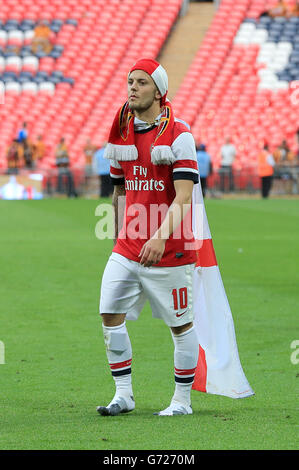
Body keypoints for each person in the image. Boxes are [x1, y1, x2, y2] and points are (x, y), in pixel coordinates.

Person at [97, 58, 200, 417]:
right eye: (130, 81)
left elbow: (184, 196)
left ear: (158, 90)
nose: (132, 88)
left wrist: (158, 237)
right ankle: (123, 395)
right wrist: (115, 231)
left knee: (180, 323)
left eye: (141, 82)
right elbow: (119, 190)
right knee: (109, 312)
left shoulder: (180, 134)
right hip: (127, 245)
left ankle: (182, 401)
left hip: (169, 248)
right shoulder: (120, 134)